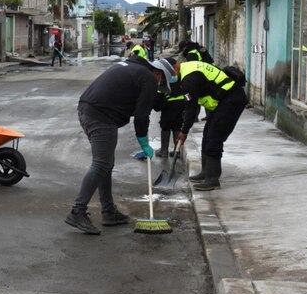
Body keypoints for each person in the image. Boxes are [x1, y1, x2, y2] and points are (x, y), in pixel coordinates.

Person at [66, 54, 173, 234]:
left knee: (105, 164)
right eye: (161, 83)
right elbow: (141, 116)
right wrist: (144, 143)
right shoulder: (149, 78)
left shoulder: (133, 67)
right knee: (101, 164)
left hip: (88, 109)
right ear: (159, 74)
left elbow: (137, 97)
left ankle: (108, 211)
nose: (159, 87)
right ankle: (77, 211)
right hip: (101, 115)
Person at [174, 60, 248, 191]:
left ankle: (212, 179)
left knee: (214, 136)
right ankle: (206, 172)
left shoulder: (189, 79)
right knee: (207, 133)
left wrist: (184, 131)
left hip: (232, 99)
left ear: (175, 68)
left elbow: (191, 109)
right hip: (224, 100)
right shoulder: (188, 69)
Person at [152, 57, 185, 157]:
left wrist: (155, 104)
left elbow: (159, 93)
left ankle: (164, 151)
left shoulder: (165, 77)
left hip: (169, 105)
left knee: (165, 126)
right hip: (180, 103)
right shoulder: (179, 74)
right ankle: (176, 151)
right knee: (177, 126)